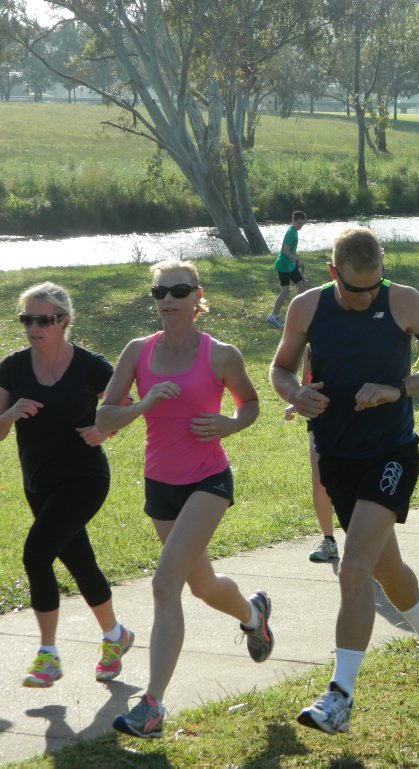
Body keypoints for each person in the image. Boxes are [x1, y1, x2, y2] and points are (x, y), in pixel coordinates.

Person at [270, 227, 419, 735]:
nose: (368, 295)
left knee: (353, 567)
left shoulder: (404, 301)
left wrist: (399, 388)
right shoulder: (307, 308)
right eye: (357, 289)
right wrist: (294, 393)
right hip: (336, 454)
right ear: (333, 274)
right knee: (384, 565)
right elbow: (281, 369)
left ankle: (340, 695)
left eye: (375, 283)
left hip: (390, 452)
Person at [98, 260, 266, 738]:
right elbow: (106, 416)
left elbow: (250, 403)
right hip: (160, 484)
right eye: (159, 292)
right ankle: (255, 616)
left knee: (164, 584)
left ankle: (151, 706)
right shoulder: (137, 351)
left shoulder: (221, 354)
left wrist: (231, 424)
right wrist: (145, 404)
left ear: (197, 296)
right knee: (202, 585)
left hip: (208, 481)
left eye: (178, 291)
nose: (167, 300)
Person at [1, 283, 133, 689]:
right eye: (27, 319)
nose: (34, 327)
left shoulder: (90, 366)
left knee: (36, 555)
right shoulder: (13, 367)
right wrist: (11, 413)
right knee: (79, 561)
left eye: (44, 320)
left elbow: (125, 407)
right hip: (38, 482)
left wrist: (101, 429)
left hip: (85, 478)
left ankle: (48, 655)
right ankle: (116, 636)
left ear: (64, 320)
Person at [283, 346, 338, 563]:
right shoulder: (312, 347)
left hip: (356, 421)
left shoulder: (358, 335)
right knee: (320, 481)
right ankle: (328, 539)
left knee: (354, 483)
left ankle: (363, 542)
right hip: (320, 420)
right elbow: (306, 383)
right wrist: (296, 402)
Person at [267, 210, 308, 329]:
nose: (300, 226)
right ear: (293, 220)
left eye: (302, 224)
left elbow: (291, 251)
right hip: (284, 266)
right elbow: (286, 250)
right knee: (285, 292)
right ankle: (273, 316)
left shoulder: (295, 232)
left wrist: (295, 262)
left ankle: (295, 312)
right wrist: (297, 261)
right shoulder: (290, 233)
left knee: (301, 285)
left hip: (290, 266)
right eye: (299, 223)